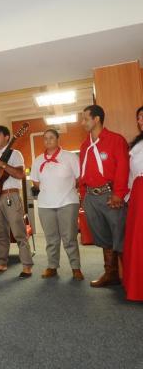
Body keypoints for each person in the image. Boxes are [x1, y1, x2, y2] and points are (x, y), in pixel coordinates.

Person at [79, 105, 129, 288]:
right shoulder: (84, 145)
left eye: (85, 118)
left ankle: (131, 279)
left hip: (110, 195)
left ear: (97, 119)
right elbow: (83, 173)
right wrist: (84, 197)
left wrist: (118, 194)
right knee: (104, 237)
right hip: (91, 198)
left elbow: (123, 168)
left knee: (120, 236)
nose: (82, 122)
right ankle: (111, 274)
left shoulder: (115, 140)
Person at [31, 129, 83, 280]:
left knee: (69, 237)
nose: (48, 141)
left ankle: (75, 268)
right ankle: (52, 267)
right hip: (45, 204)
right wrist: (48, 191)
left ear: (58, 139)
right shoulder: (38, 160)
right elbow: (35, 180)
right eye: (45, 138)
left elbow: (79, 178)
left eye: (51, 137)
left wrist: (65, 189)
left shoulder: (70, 157)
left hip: (68, 202)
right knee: (51, 238)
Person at [0, 125, 34, 277]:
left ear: (7, 137)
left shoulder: (15, 153)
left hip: (10, 196)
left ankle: (27, 266)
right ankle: (2, 263)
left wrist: (3, 165)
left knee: (19, 232)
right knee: (0, 234)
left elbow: (20, 174)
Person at [123, 106, 143, 301]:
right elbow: (131, 175)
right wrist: (128, 197)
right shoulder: (135, 146)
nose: (141, 119)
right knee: (138, 240)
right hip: (138, 193)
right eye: (139, 117)